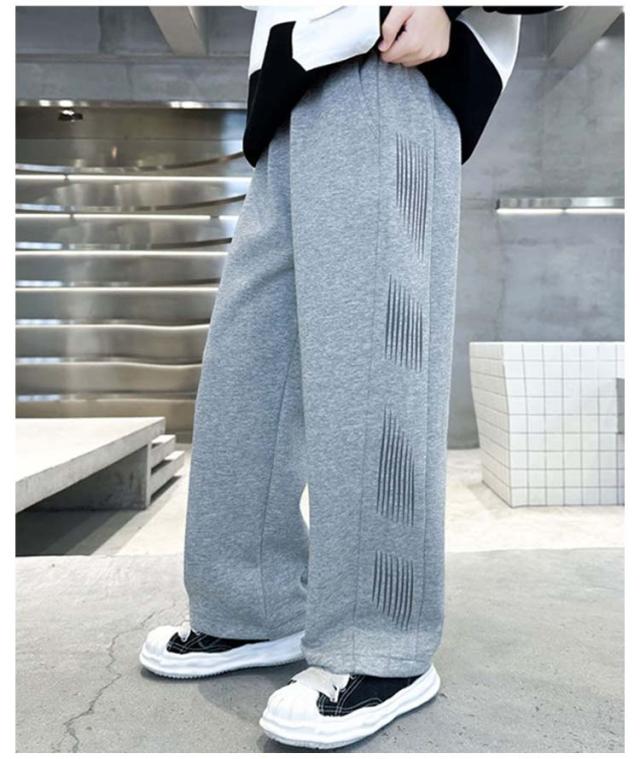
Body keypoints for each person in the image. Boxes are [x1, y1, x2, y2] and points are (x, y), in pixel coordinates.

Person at [140, 4, 564, 749]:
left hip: (386, 61)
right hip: (289, 84)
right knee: (250, 368)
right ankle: (253, 604)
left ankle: (382, 643)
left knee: (374, 362)